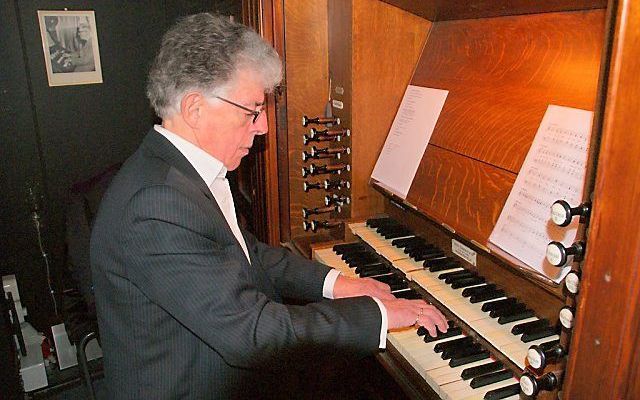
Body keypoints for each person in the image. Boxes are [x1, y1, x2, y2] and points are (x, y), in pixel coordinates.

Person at [90, 13, 447, 399]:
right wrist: (378, 315)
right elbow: (252, 334)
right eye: (251, 111)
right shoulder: (157, 204)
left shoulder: (180, 174)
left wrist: (339, 283)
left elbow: (248, 255)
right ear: (194, 109)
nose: (262, 127)